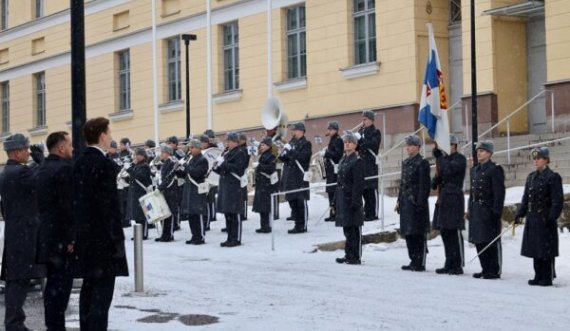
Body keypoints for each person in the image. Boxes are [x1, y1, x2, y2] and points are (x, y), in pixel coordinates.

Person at [73, 117, 129, 331]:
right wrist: (116, 239)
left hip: (85, 239)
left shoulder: (79, 163)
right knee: (101, 298)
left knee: (88, 293)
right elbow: (109, 208)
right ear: (102, 135)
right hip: (103, 242)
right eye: (109, 132)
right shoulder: (103, 165)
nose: (111, 137)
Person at [0, 133, 46, 331]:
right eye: (26, 149)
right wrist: (42, 162)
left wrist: (36, 164)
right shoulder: (20, 173)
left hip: (14, 231)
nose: (28, 152)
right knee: (20, 280)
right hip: (25, 234)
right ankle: (14, 323)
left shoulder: (6, 172)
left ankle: (15, 320)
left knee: (15, 279)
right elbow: (41, 182)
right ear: (17, 152)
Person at [36, 131, 76, 331]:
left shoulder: (42, 168)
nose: (72, 148)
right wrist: (71, 238)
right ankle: (56, 327)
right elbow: (67, 207)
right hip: (60, 237)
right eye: (69, 145)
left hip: (46, 235)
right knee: (61, 288)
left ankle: (52, 325)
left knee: (52, 285)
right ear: (61, 148)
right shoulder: (64, 170)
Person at [515, 147, 564, 286]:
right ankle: (537, 274)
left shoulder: (553, 177)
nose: (536, 161)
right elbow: (526, 199)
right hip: (533, 217)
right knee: (535, 247)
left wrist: (552, 217)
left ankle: (547, 276)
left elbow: (557, 201)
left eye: (539, 158)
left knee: (545, 249)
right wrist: (520, 213)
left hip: (545, 217)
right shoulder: (531, 177)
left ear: (546, 160)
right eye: (535, 159)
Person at [468, 140, 505, 280]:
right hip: (477, 209)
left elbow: (499, 193)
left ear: (489, 153)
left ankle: (494, 269)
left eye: (482, 151)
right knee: (479, 240)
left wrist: (496, 211)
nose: (479, 153)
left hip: (488, 209)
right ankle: (485, 268)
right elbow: (472, 193)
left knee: (491, 240)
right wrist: (470, 209)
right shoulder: (475, 170)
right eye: (478, 151)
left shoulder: (495, 169)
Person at [431, 135, 467, 275]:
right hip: (443, 199)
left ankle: (457, 264)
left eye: (448, 144)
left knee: (453, 231)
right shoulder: (444, 160)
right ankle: (449, 262)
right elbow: (438, 179)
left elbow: (449, 170)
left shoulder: (459, 159)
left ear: (454, 146)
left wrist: (439, 158)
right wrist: (436, 180)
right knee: (445, 231)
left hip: (454, 199)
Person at [397, 135, 430, 272]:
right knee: (408, 232)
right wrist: (399, 200)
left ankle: (419, 261)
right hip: (406, 201)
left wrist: (421, 202)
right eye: (407, 145)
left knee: (418, 232)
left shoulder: (422, 163)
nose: (408, 147)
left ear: (417, 147)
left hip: (416, 201)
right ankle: (412, 259)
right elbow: (403, 183)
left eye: (411, 145)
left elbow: (424, 185)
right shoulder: (406, 162)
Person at [334, 132, 365, 265]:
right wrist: (334, 200)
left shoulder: (357, 161)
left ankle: (355, 256)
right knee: (347, 228)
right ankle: (348, 254)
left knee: (354, 229)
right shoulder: (343, 160)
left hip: (352, 199)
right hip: (343, 198)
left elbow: (358, 184)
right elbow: (339, 182)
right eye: (345, 142)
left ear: (355, 145)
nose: (346, 144)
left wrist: (356, 201)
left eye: (350, 142)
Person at [214, 132, 249, 247]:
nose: (227, 143)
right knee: (227, 213)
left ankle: (236, 238)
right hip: (226, 186)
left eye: (229, 141)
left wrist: (224, 164)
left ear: (235, 141)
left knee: (234, 214)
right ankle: (230, 237)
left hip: (234, 186)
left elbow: (238, 168)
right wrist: (217, 167)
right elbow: (224, 170)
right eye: (226, 141)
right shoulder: (228, 153)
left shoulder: (240, 152)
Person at [279, 122, 312, 234]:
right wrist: (283, 153)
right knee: (292, 201)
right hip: (290, 176)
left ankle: (302, 225)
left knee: (300, 201)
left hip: (299, 176)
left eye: (295, 130)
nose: (293, 132)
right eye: (292, 130)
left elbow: (303, 157)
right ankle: (297, 224)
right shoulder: (291, 142)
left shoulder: (306, 143)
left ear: (302, 131)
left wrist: (291, 151)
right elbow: (285, 159)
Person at [177, 139, 209, 245]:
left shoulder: (202, 159)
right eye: (190, 148)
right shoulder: (191, 159)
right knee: (191, 214)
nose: (190, 150)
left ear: (198, 148)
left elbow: (196, 173)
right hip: (189, 190)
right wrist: (178, 170)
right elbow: (187, 174)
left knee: (198, 213)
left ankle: (200, 236)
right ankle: (194, 235)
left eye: (192, 147)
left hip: (197, 190)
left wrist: (185, 166)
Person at [357, 110, 382, 222]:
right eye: (362, 119)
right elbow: (359, 147)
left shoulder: (375, 132)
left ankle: (373, 213)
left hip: (370, 163)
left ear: (371, 120)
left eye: (365, 119)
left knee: (371, 189)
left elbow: (373, 144)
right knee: (364, 190)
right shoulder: (361, 131)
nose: (363, 121)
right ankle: (367, 212)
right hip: (362, 163)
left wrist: (361, 139)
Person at [125, 148, 153, 240]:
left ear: (143, 156)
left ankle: (144, 234)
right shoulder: (136, 165)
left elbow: (139, 176)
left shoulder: (144, 166)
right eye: (135, 155)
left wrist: (129, 169)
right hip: (135, 192)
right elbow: (133, 177)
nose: (135, 157)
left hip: (141, 192)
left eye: (138, 155)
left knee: (142, 214)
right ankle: (138, 233)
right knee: (136, 215)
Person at [253, 138, 278, 233]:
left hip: (266, 184)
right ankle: (263, 225)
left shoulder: (271, 156)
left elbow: (271, 168)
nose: (261, 147)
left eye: (263, 145)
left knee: (266, 206)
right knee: (261, 206)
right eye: (261, 145)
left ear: (268, 146)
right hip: (261, 183)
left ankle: (267, 226)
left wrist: (259, 166)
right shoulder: (262, 155)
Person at [321, 121, 344, 223]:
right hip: (330, 170)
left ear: (335, 130)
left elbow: (338, 155)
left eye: (330, 129)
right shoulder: (332, 140)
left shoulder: (338, 140)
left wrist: (327, 153)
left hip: (335, 170)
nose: (329, 131)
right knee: (330, 192)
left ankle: (336, 213)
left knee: (334, 192)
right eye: (328, 129)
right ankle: (332, 213)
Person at [155, 143, 179, 242]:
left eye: (162, 152)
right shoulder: (165, 162)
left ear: (167, 153)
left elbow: (169, 177)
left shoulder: (172, 162)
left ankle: (169, 235)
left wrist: (160, 188)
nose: (161, 154)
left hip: (171, 191)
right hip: (166, 190)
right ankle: (164, 234)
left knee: (169, 213)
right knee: (164, 213)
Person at [200, 133, 218, 229]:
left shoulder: (212, 150)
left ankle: (211, 218)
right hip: (203, 178)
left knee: (209, 199)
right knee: (204, 200)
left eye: (204, 142)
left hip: (211, 178)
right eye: (201, 142)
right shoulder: (200, 152)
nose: (202, 144)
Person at [117, 137, 133, 228]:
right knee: (121, 202)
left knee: (126, 201)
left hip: (127, 180)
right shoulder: (119, 154)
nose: (120, 146)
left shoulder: (130, 153)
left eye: (122, 144)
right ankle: (122, 220)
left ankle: (127, 220)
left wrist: (129, 149)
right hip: (120, 180)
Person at [238, 132, 250, 221]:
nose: (238, 141)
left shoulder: (245, 149)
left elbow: (245, 162)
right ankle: (240, 212)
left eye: (240, 140)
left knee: (243, 193)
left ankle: (244, 213)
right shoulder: (239, 149)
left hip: (242, 172)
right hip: (239, 172)